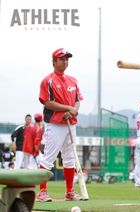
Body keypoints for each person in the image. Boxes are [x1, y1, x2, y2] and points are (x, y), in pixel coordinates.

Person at [36, 48, 83, 202]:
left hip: (71, 123)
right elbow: (48, 103)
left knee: (69, 158)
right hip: (55, 124)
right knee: (48, 157)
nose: (65, 61)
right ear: (54, 61)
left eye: (67, 59)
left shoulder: (73, 80)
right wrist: (68, 108)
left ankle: (70, 192)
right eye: (62, 59)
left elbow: (77, 100)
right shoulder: (47, 80)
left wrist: (74, 110)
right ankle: (42, 192)